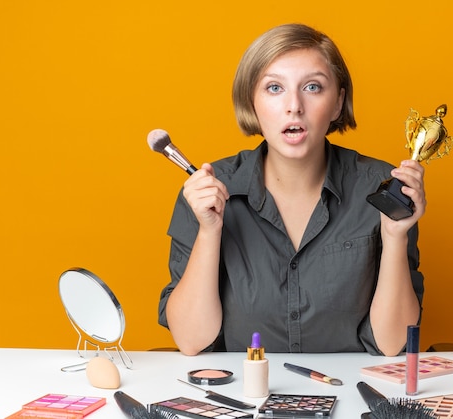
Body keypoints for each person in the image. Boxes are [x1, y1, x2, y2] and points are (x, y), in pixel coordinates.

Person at [158, 23, 426, 356]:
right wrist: (209, 232)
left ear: (338, 102)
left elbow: (391, 344)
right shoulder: (207, 192)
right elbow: (191, 340)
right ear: (251, 102)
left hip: (351, 394)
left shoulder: (380, 188)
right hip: (246, 393)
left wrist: (396, 235)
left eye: (313, 87)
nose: (294, 106)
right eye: (274, 88)